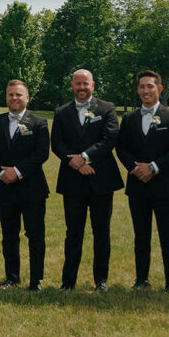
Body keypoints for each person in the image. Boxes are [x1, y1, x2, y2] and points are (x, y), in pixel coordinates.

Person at [51, 69, 122, 291]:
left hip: (101, 179)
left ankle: (101, 280)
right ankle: (68, 282)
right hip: (73, 180)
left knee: (102, 231)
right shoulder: (61, 112)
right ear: (72, 85)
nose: (82, 88)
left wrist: (84, 157)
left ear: (93, 86)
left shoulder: (107, 108)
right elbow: (57, 143)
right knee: (73, 232)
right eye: (78, 84)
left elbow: (110, 138)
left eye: (86, 84)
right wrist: (74, 162)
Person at [115, 70, 169, 294]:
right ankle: (141, 279)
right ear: (138, 90)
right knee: (141, 235)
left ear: (159, 89)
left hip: (164, 185)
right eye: (142, 87)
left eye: (150, 86)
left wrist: (153, 167)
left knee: (167, 235)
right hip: (137, 185)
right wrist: (135, 169)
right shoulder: (128, 118)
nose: (146, 90)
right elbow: (121, 148)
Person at [0, 80, 50, 291]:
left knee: (35, 235)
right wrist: (1, 172)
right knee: (9, 235)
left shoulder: (38, 123)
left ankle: (35, 281)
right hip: (4, 188)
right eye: (11, 95)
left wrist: (17, 172)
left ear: (27, 98)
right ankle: (11, 278)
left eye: (19, 95)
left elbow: (41, 153)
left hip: (32, 188)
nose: (14, 98)